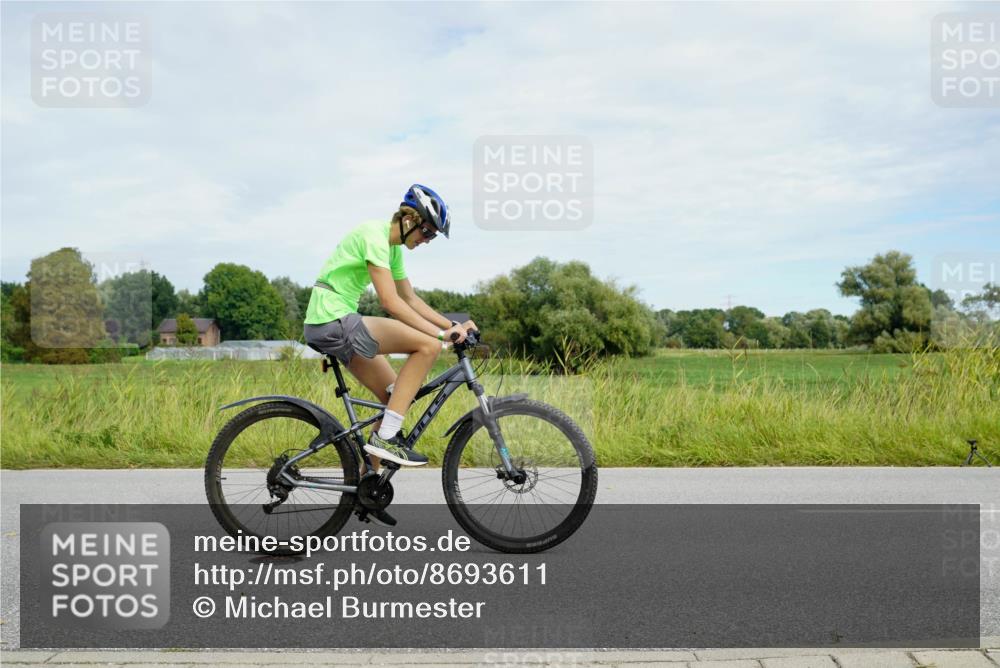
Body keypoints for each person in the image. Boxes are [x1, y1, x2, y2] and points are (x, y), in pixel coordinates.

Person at [303, 184, 476, 481]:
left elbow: (410, 298)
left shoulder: (393, 250)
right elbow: (390, 302)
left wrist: (451, 326)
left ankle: (369, 480)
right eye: (428, 232)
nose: (428, 240)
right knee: (427, 347)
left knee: (394, 398)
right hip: (331, 319)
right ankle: (386, 440)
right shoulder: (374, 235)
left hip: (338, 322)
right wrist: (438, 337)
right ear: (409, 220)